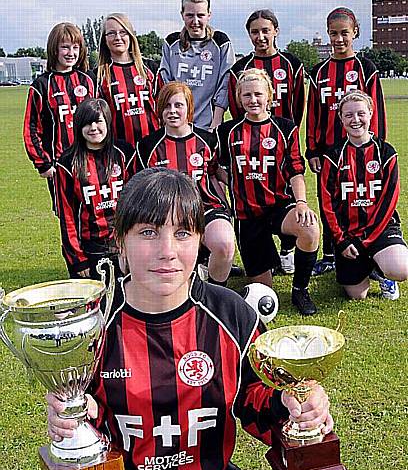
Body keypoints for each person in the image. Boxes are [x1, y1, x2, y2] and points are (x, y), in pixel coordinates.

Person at [47, 168, 330, 470]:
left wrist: (298, 407)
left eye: (182, 232)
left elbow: (257, 400)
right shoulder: (89, 326)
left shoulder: (230, 314)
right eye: (148, 232)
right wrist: (66, 426)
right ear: (120, 242)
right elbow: (78, 440)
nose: (166, 251)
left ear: (200, 241)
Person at [216, 68, 320, 315]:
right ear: (239, 99)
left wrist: (302, 203)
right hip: (247, 215)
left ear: (270, 96)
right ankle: (269, 261)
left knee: (310, 228)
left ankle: (300, 291)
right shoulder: (227, 132)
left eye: (258, 94)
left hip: (279, 207)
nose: (253, 100)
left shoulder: (285, 128)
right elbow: (216, 169)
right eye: (247, 95)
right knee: (263, 291)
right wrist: (227, 192)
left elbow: (295, 170)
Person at [306, 7, 387, 276]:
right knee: (330, 200)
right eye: (333, 34)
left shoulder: (366, 68)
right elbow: (314, 113)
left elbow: (377, 111)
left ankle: (371, 252)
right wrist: (313, 150)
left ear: (355, 33)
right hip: (329, 152)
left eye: (344, 33)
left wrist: (377, 148)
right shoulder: (319, 72)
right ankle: (331, 254)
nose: (339, 39)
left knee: (362, 198)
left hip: (362, 151)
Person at [228, 9, 306, 276]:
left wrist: (286, 134)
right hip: (250, 143)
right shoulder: (239, 69)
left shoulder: (291, 63)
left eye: (265, 30)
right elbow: (237, 112)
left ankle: (287, 249)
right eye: (254, 31)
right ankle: (266, 254)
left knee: (285, 195)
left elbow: (297, 106)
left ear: (276, 30)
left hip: (281, 141)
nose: (260, 36)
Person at [136, 81, 234, 286]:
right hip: (168, 215)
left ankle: (214, 294)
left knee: (224, 245)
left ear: (189, 108)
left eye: (178, 105)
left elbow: (218, 171)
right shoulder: (147, 146)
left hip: (207, 208)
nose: (172, 111)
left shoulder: (208, 140)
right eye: (167, 106)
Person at [320, 90, 408, 300]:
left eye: (361, 113)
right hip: (348, 234)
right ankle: (369, 266)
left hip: (380, 230)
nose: (355, 120)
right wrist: (340, 241)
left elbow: (389, 202)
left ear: (370, 113)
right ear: (341, 119)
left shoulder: (386, 152)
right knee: (357, 295)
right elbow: (326, 202)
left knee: (401, 269)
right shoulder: (333, 156)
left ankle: (385, 272)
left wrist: (367, 240)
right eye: (349, 115)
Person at [55, 98, 136, 280]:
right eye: (87, 123)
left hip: (124, 244)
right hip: (89, 249)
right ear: (78, 126)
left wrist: (133, 243)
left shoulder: (125, 153)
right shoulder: (68, 163)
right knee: (94, 304)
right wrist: (77, 259)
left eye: (98, 121)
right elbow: (67, 215)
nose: (93, 128)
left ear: (107, 122)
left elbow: (138, 203)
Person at [23, 22, 96, 213]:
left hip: (92, 160)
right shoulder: (41, 85)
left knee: (96, 214)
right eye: (65, 47)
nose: (71, 52)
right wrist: (43, 164)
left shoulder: (88, 79)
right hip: (60, 165)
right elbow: (31, 128)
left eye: (75, 47)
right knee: (68, 217)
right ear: (54, 49)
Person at [157, 0, 235, 130]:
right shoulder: (171, 43)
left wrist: (216, 122)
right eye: (189, 15)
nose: (195, 21)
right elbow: (166, 83)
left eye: (201, 15)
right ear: (182, 15)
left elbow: (225, 83)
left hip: (209, 126)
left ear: (209, 15)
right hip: (177, 125)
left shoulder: (220, 42)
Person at [97, 13, 159, 148]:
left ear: (131, 36)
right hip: (118, 150)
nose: (118, 37)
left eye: (123, 32)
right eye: (111, 33)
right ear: (104, 40)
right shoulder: (98, 76)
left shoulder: (151, 69)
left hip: (153, 148)